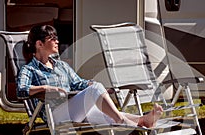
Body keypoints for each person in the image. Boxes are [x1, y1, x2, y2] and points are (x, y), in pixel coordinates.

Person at [17, 25, 163, 127]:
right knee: (101, 100)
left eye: (56, 38)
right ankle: (122, 121)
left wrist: (97, 88)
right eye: (52, 38)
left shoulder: (61, 66)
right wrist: (45, 88)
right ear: (39, 44)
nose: (57, 41)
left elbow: (77, 83)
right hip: (54, 115)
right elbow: (21, 90)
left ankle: (143, 120)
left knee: (104, 110)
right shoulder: (29, 69)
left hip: (72, 109)